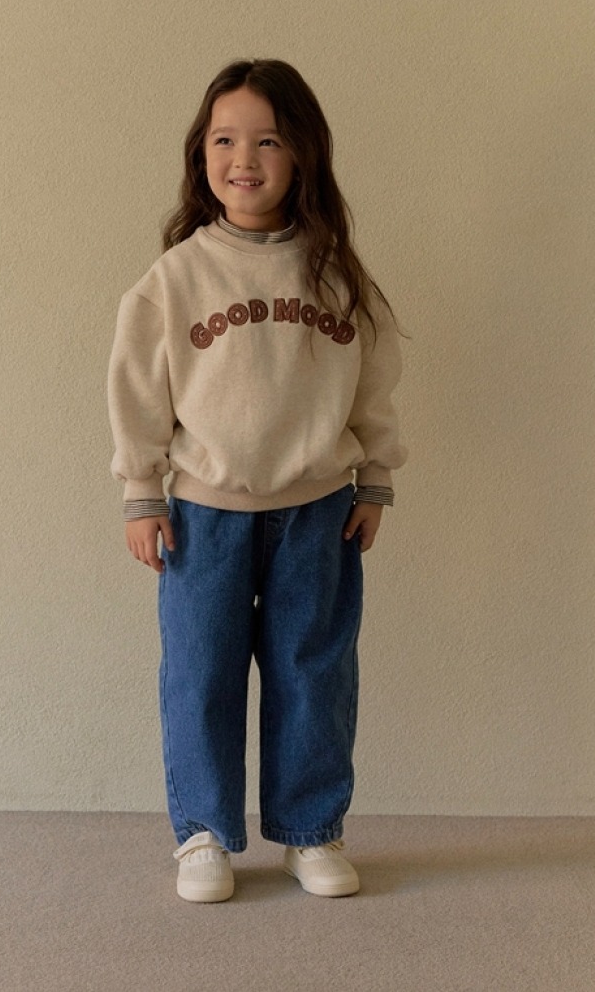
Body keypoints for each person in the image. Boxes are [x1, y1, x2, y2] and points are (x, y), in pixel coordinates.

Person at [106, 58, 406, 902]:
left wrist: (375, 477)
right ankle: (203, 833)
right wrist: (141, 491)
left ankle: (311, 830)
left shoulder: (335, 275)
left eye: (268, 141)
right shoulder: (175, 280)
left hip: (319, 511)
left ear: (304, 153)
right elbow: (138, 392)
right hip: (203, 514)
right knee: (201, 674)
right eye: (224, 140)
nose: (244, 159)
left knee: (314, 674)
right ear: (200, 154)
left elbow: (374, 384)